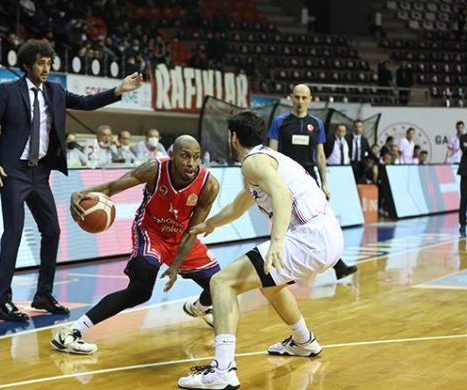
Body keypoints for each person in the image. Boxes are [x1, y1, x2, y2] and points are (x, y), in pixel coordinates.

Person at [177, 111, 343, 389]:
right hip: (328, 236)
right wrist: (210, 224)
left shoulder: (253, 163)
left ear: (234, 137)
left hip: (308, 238)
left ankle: (223, 371)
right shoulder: (261, 160)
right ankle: (303, 341)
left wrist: (277, 240)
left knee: (222, 283)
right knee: (271, 285)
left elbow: (282, 194)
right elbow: (243, 202)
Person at [0, 40, 142, 322]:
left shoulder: (55, 91)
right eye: (41, 63)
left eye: (50, 63)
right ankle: (2, 302)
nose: (47, 68)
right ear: (27, 65)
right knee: (14, 232)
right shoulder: (7, 92)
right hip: (13, 172)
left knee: (52, 231)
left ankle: (43, 294)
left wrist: (119, 90)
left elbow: (88, 103)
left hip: (40, 173)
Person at [51, 136, 221, 354]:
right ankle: (72, 333)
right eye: (185, 156)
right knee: (140, 290)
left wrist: (176, 264)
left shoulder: (209, 185)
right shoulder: (154, 169)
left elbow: (192, 231)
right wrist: (81, 194)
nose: (191, 163)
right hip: (151, 232)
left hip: (182, 237)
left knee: (218, 285)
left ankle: (199, 308)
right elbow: (112, 187)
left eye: (196, 158)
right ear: (172, 156)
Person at [267, 83, 355, 279]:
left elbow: (321, 155)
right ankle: (278, 268)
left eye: (304, 98)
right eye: (296, 97)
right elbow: (271, 154)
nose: (300, 101)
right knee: (288, 222)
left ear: (310, 99)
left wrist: (324, 183)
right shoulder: (280, 122)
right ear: (291, 98)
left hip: (309, 179)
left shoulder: (316, 124)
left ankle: (337, 264)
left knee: (319, 220)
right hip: (286, 179)